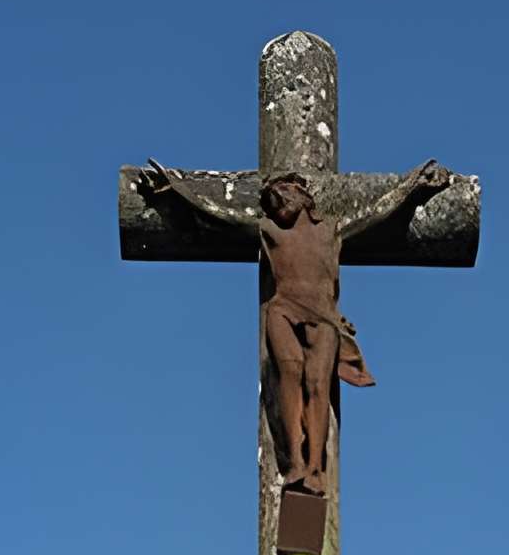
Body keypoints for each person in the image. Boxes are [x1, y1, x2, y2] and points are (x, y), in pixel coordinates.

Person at [140, 157, 451, 493]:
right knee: (289, 372)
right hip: (283, 310)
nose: (276, 199)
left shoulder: (331, 230)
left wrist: (412, 187)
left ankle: (315, 467)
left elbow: (377, 213)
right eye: (271, 198)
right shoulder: (268, 230)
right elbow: (220, 217)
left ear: (304, 197)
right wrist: (178, 191)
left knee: (318, 384)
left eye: (284, 191)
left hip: (322, 316)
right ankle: (296, 463)